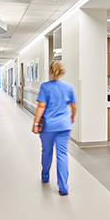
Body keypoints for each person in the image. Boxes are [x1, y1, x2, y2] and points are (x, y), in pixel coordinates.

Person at [32, 61, 77, 195]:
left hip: (48, 126)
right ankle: (63, 188)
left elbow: (41, 107)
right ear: (62, 71)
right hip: (64, 125)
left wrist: (35, 124)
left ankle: (45, 176)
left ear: (50, 71)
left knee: (46, 151)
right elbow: (74, 106)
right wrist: (71, 117)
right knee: (62, 154)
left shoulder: (45, 87)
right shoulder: (69, 87)